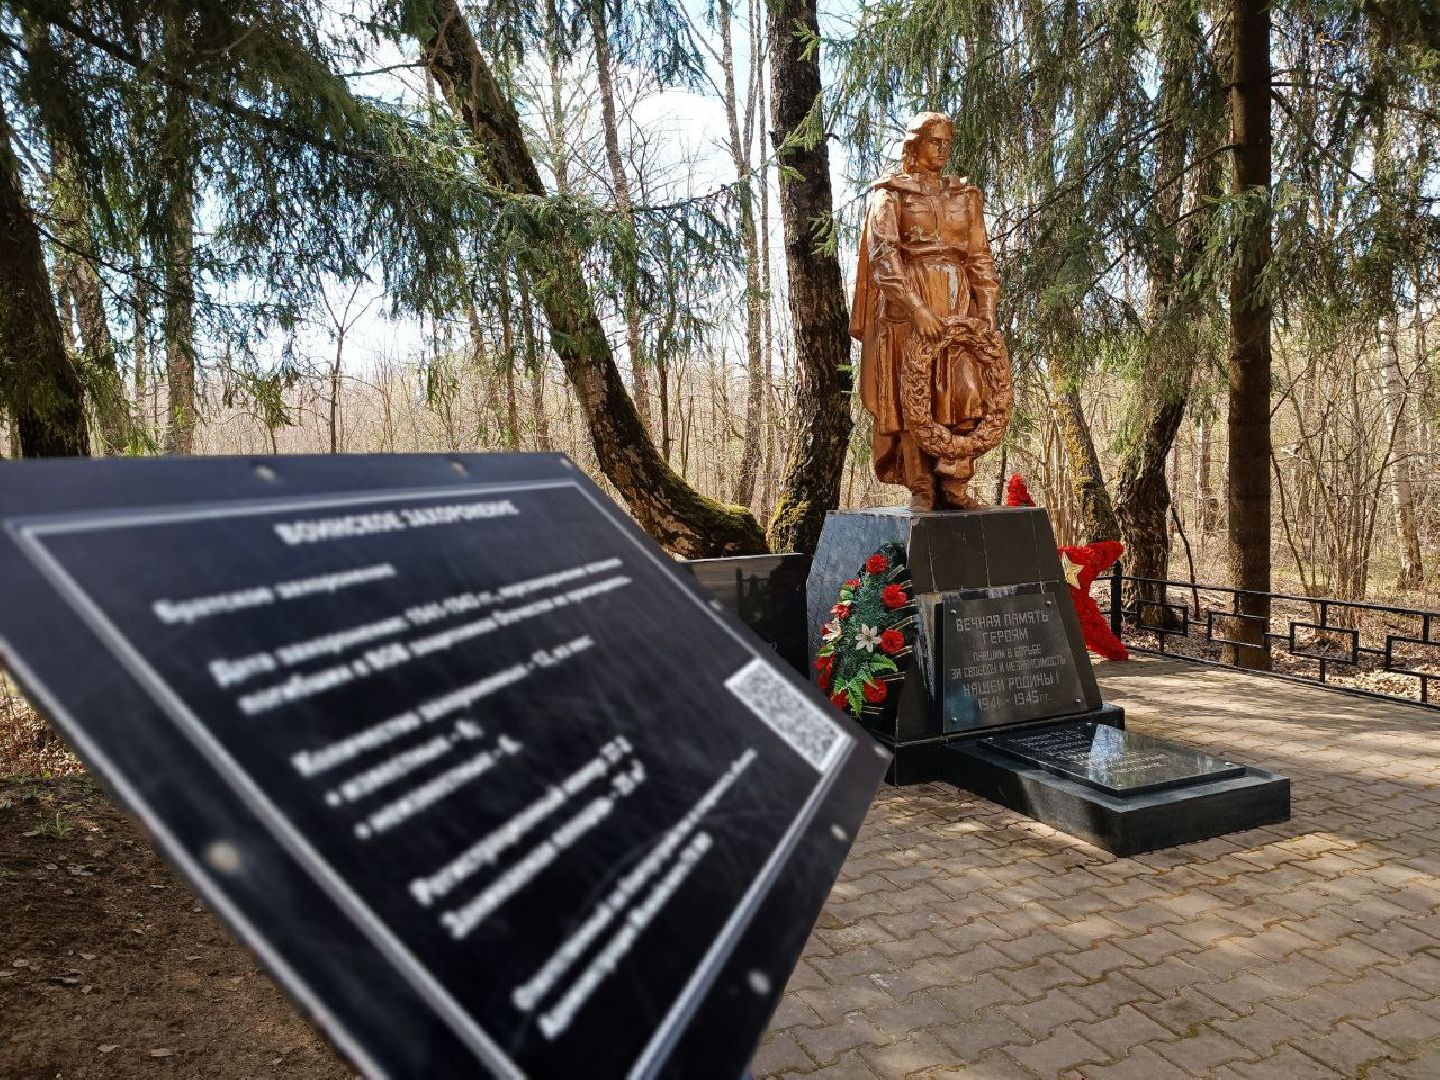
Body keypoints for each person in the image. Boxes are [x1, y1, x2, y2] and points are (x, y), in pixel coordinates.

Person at [850, 111, 1007, 510]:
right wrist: (916, 307)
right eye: (934, 141)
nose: (942, 149)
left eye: (946, 142)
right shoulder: (890, 195)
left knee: (966, 391)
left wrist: (987, 307)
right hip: (907, 305)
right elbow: (885, 257)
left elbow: (979, 256)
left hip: (958, 301)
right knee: (911, 397)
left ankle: (955, 484)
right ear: (914, 145)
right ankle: (921, 485)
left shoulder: (964, 196)